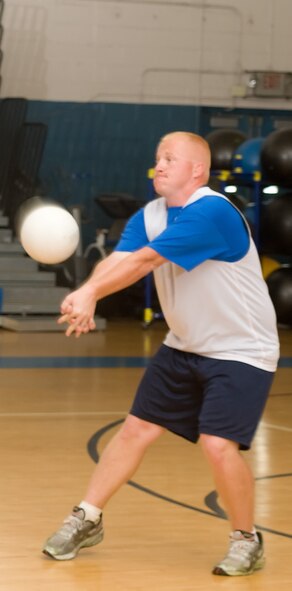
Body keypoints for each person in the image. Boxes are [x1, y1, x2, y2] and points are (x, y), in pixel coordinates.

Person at [43, 131, 279, 576]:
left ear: (198, 170)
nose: (161, 165)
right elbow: (119, 259)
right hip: (186, 344)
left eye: (171, 158)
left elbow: (145, 262)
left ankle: (247, 540)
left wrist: (92, 292)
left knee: (216, 444)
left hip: (241, 349)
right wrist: (85, 292)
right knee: (135, 431)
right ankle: (87, 516)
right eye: (158, 158)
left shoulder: (211, 212)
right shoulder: (152, 214)